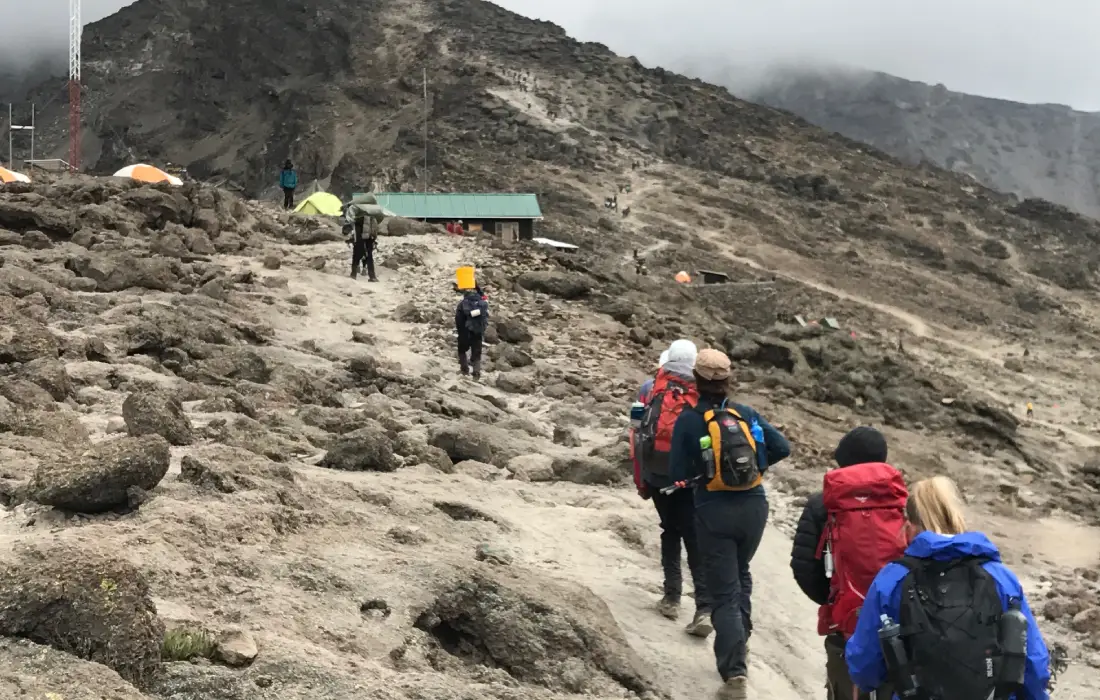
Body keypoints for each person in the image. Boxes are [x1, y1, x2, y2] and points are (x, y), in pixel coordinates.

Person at [846, 476, 1051, 700]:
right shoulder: (1001, 578)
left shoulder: (892, 579)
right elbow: (1034, 662)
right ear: (957, 518)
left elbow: (864, 666)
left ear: (910, 526)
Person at [668, 349, 790, 700]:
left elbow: (676, 472)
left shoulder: (690, 420)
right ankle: (742, 639)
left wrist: (700, 474)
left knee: (723, 590)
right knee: (742, 573)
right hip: (754, 506)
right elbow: (783, 446)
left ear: (697, 380)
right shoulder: (745, 413)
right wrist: (756, 468)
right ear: (727, 379)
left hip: (713, 509)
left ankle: (735, 671)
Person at [789, 427, 906, 700]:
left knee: (845, 688)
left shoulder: (823, 504)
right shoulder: (903, 502)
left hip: (846, 622)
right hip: (899, 623)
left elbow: (804, 567)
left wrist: (833, 598)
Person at [633, 340, 712, 637]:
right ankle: (704, 607)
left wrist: (640, 480)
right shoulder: (704, 392)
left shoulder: (649, 387)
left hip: (657, 474)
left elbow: (637, 436)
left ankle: (671, 598)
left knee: (670, 531)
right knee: (695, 538)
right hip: (692, 479)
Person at [455, 286, 488, 380]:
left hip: (465, 331)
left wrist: (460, 332)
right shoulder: (483, 303)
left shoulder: (463, 304)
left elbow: (459, 320)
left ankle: (464, 370)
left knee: (462, 350)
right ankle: (476, 374)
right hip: (478, 331)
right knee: (477, 352)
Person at [344, 201, 378, 281]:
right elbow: (375, 229)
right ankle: (372, 276)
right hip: (369, 238)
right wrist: (374, 239)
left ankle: (353, 274)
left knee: (356, 255)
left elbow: (352, 230)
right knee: (369, 257)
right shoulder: (371, 217)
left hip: (360, 239)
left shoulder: (357, 218)